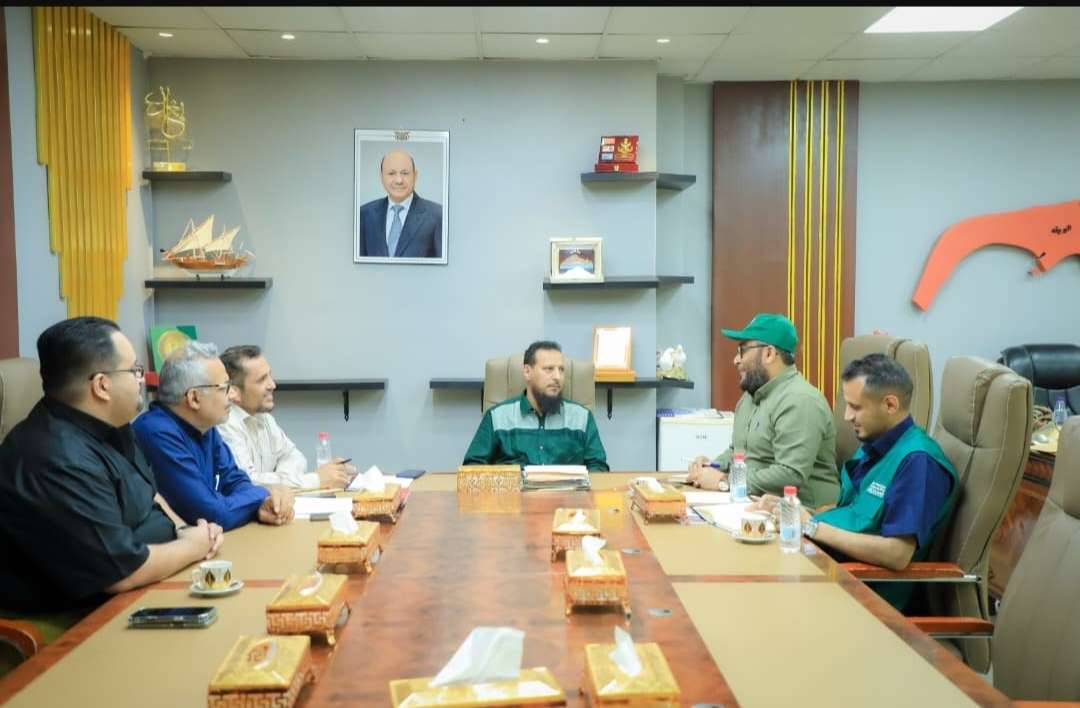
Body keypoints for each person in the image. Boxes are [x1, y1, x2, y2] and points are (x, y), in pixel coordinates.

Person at [0, 317, 223, 616]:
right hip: (82, 618)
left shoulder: (114, 426)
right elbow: (121, 573)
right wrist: (193, 547)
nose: (141, 380)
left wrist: (186, 530)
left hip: (149, 585)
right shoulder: (55, 457)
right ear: (102, 386)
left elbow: (149, 495)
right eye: (135, 371)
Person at [754, 353, 958, 610]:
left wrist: (811, 527)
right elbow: (856, 516)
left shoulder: (918, 462)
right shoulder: (874, 443)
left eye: (856, 407)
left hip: (865, 598)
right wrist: (794, 511)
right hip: (826, 571)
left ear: (890, 405)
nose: (847, 416)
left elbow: (897, 554)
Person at [133, 341, 294, 531]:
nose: (232, 395)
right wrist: (264, 492)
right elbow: (212, 513)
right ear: (194, 398)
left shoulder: (205, 427)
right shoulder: (157, 433)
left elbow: (237, 481)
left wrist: (258, 502)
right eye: (225, 387)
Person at [688, 313, 839, 508]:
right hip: (752, 502)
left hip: (801, 515)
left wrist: (725, 481)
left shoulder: (801, 400)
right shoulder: (749, 398)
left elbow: (790, 474)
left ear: (769, 353)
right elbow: (738, 452)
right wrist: (710, 467)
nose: (736, 360)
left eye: (742, 351)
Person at [218, 345, 355, 489]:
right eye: (261, 380)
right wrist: (316, 480)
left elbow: (295, 457)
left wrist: (283, 480)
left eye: (270, 376)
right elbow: (247, 482)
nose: (272, 385)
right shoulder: (225, 424)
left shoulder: (264, 417)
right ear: (234, 392)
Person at [463, 341, 609, 471]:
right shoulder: (497, 417)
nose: (557, 377)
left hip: (568, 493)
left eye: (561, 370)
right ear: (527, 372)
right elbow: (472, 467)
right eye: (549, 369)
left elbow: (599, 467)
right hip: (514, 493)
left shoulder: (582, 417)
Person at [356, 149, 443, 258]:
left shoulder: (438, 215)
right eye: (391, 173)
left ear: (415, 176)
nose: (399, 180)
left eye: (405, 173)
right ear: (381, 177)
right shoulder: (364, 215)